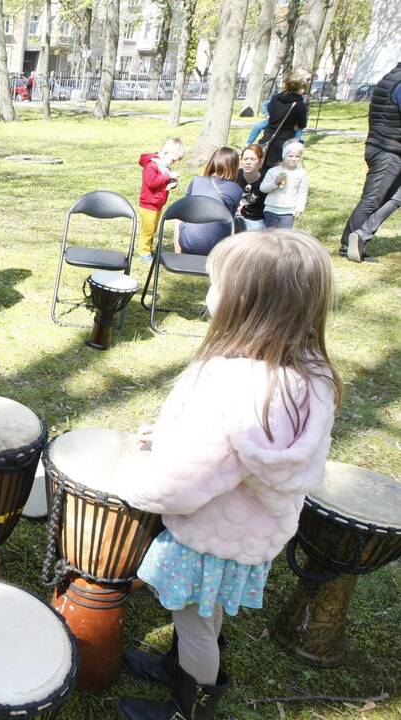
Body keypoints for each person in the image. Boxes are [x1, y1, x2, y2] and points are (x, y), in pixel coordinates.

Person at [116, 229, 339, 720]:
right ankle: (178, 668)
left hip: (208, 536)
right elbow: (242, 455)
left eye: (216, 284)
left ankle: (188, 706)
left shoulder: (233, 386)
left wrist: (134, 477)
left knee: (195, 621)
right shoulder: (309, 375)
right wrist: (171, 434)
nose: (207, 293)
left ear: (248, 303)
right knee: (207, 611)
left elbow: (186, 480)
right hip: (249, 535)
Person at [339, 61, 401, 263]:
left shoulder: (391, 76)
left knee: (396, 198)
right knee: (373, 199)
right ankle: (348, 244)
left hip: (388, 147)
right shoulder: (398, 82)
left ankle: (362, 234)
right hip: (387, 150)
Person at [175, 146, 241, 256]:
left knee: (178, 218)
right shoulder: (236, 190)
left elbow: (185, 210)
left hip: (189, 243)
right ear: (234, 166)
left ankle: (179, 255)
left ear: (213, 162)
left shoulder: (196, 181)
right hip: (217, 249)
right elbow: (230, 218)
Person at [137, 137, 185, 258]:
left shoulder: (163, 166)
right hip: (148, 204)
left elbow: (160, 183)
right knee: (148, 230)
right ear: (165, 153)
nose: (173, 163)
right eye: (173, 160)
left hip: (157, 204)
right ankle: (144, 251)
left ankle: (149, 248)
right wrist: (168, 176)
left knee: (153, 229)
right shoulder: (152, 166)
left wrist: (171, 183)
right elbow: (151, 183)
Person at [262, 70, 309, 170]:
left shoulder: (275, 98)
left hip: (268, 137)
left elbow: (271, 111)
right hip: (284, 141)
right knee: (279, 173)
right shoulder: (299, 105)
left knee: (263, 168)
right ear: (300, 87)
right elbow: (302, 123)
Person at [260, 139, 308, 229]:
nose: (294, 159)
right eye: (290, 156)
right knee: (270, 235)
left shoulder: (302, 173)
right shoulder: (273, 171)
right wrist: (274, 183)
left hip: (288, 211)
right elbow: (263, 188)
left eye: (297, 156)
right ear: (284, 155)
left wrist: (300, 209)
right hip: (271, 209)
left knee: (285, 236)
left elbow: (302, 193)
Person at [235, 144, 267, 231]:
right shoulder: (235, 175)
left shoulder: (266, 179)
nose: (248, 162)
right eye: (245, 159)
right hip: (236, 218)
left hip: (257, 220)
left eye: (252, 159)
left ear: (260, 161)